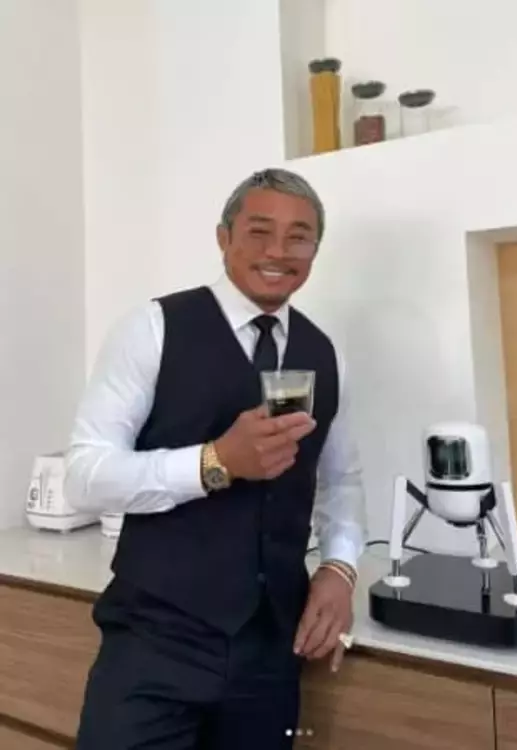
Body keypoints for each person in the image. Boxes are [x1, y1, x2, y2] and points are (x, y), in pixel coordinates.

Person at [65, 167, 366, 749]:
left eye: (299, 237)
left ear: (314, 251)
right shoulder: (152, 329)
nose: (278, 251)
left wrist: (339, 569)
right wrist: (215, 462)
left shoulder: (326, 355)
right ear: (224, 237)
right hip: (154, 641)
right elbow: (84, 476)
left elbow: (342, 481)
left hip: (272, 651)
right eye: (259, 231)